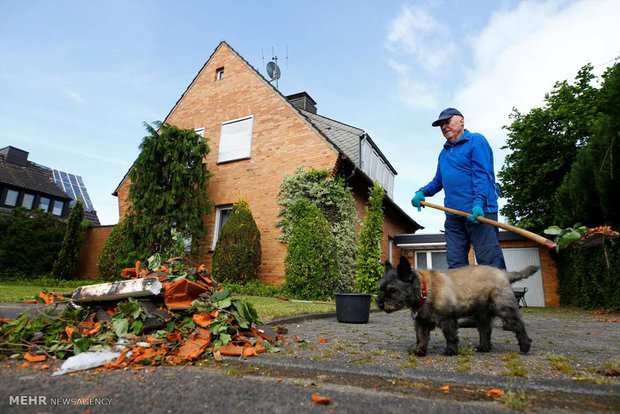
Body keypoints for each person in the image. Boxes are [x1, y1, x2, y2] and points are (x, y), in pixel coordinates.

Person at [411, 108, 506, 270]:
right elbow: (438, 181)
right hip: (454, 216)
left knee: (490, 264)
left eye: (447, 122)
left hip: (479, 212)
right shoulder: (444, 153)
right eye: (441, 125)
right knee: (456, 266)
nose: (444, 127)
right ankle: (463, 296)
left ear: (461, 121)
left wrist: (478, 203)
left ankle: (501, 295)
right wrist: (422, 192)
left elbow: (482, 175)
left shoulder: (476, 141)